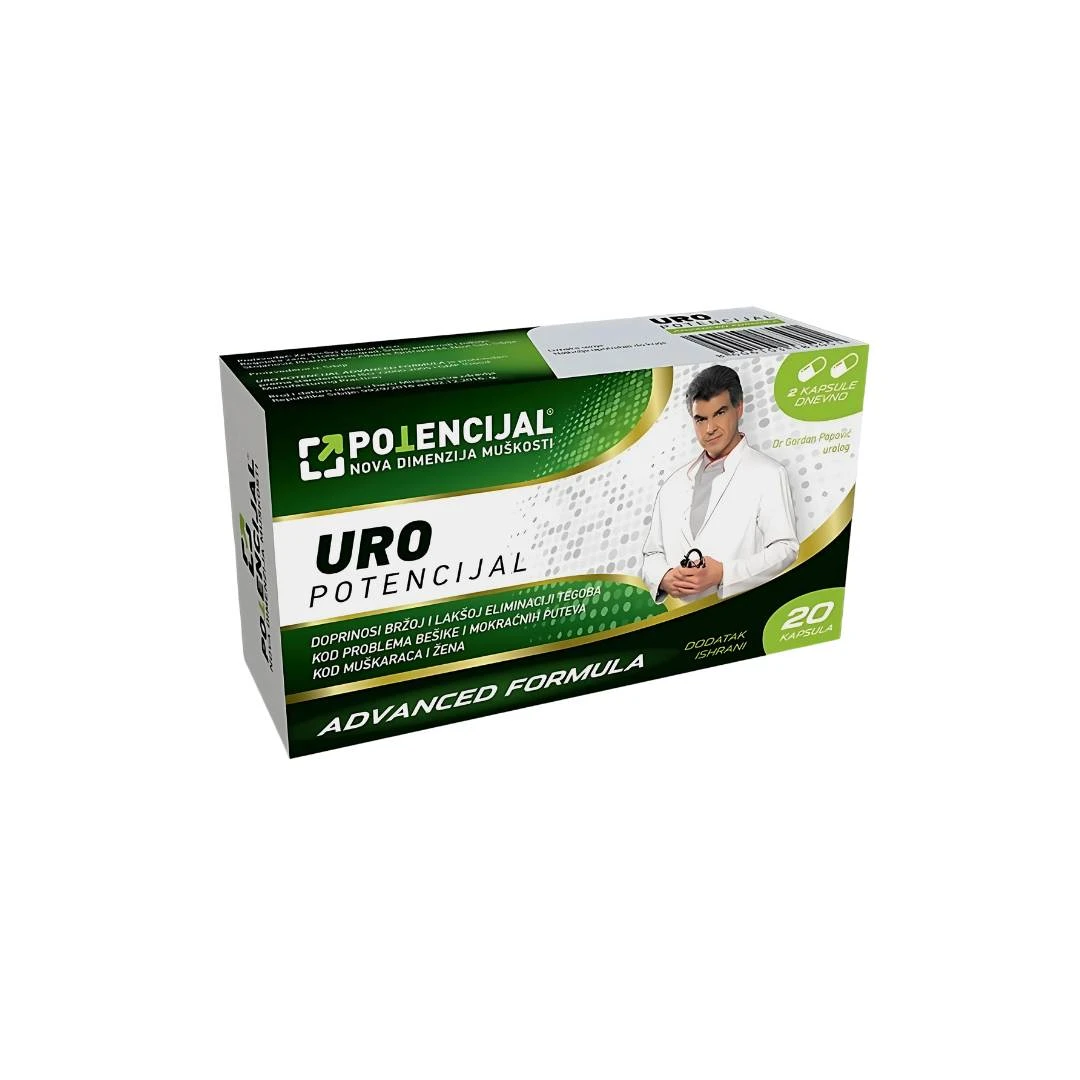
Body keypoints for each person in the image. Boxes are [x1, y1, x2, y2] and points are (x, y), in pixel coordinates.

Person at [641, 364, 798, 602]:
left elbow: (785, 549)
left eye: (720, 413)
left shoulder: (768, 473)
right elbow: (652, 552)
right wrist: (664, 577)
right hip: (679, 616)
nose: (710, 429)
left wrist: (724, 573)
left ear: (739, 408)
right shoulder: (672, 485)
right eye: (700, 419)